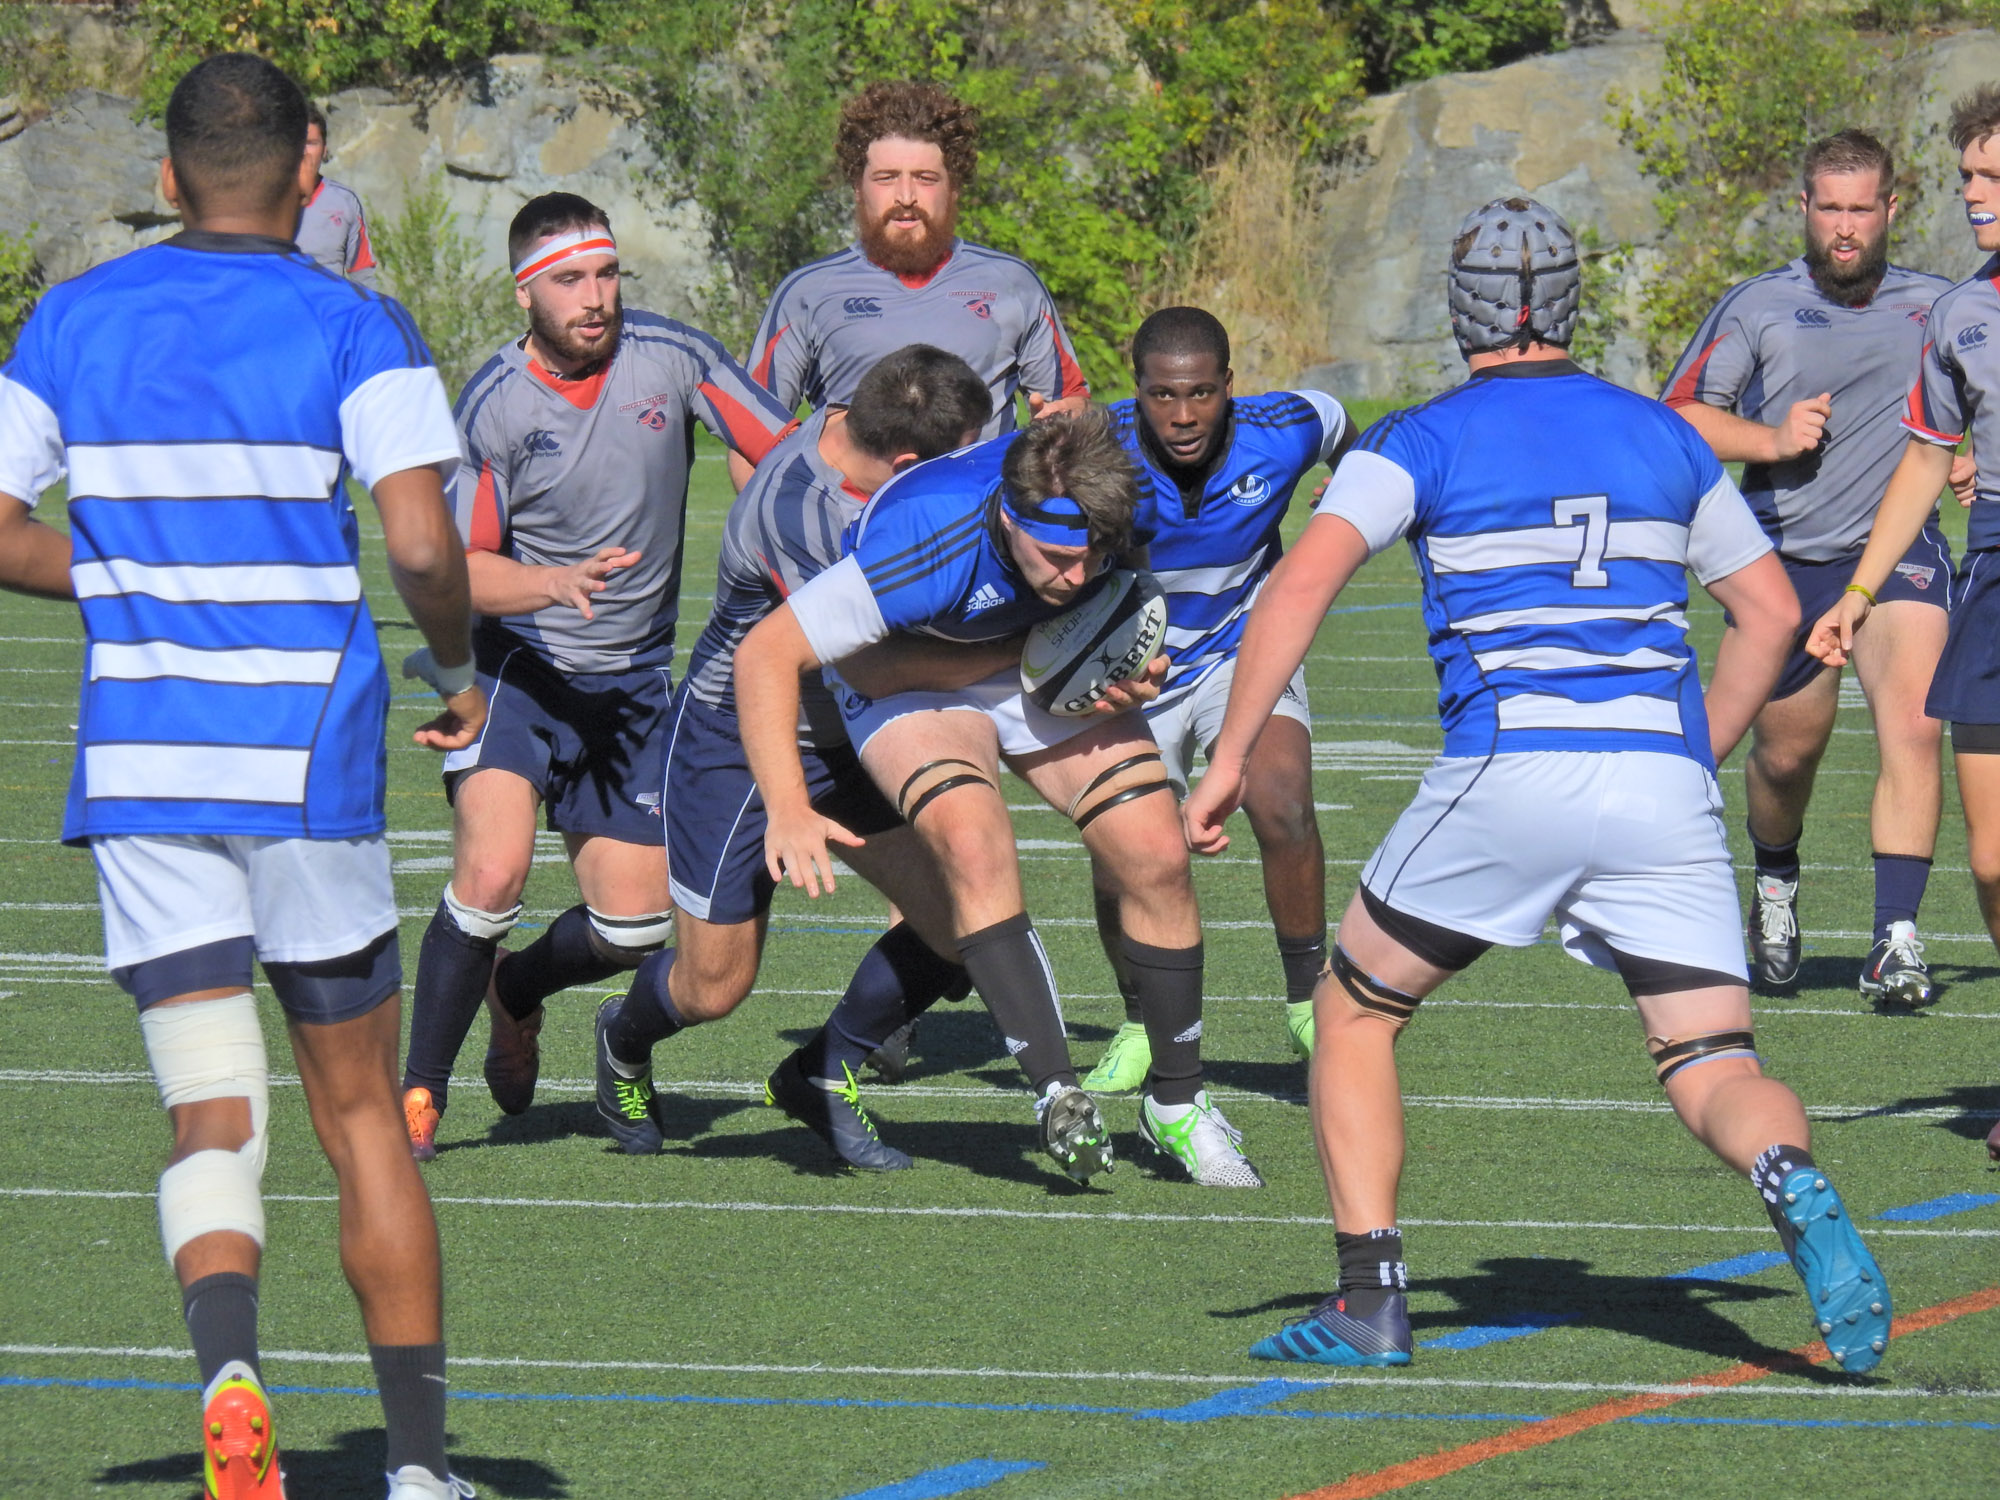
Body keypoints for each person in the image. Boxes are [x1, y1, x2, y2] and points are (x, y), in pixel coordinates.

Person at [1187, 197, 1894, 1374]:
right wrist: (1690, 755)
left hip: (1509, 769)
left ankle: (1369, 1303)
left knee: (1354, 1011)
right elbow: (1768, 611)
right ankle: (1790, 1177)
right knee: (1714, 1061)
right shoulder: (1662, 432)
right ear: (1569, 302)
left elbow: (1299, 587)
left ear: (1457, 309)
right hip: (1658, 791)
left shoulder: (1419, 437)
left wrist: (1222, 759)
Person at [0, 54, 483, 1498]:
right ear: (310, 171)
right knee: (358, 1119)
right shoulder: (356, 319)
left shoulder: (71, 318)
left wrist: (135, 581)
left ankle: (228, 1370)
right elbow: (415, 543)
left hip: (145, 762)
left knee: (212, 1111)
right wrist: (458, 677)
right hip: (301, 766)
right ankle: (412, 1469)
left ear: (165, 177)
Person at [736, 407, 1262, 1188]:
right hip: (909, 672)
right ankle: (1057, 1091)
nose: (1075, 577)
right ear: (1008, 518)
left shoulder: (1120, 502)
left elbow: (1123, 592)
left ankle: (1178, 1104)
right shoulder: (925, 538)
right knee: (973, 841)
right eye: (1053, 558)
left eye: (1091, 556)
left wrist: (1130, 658)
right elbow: (770, 654)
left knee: (1155, 853)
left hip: (1037, 660)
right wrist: (787, 807)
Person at [398, 192, 796, 1159]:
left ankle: (517, 990)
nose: (597, 298)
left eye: (608, 274)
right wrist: (549, 582)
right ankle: (416, 1098)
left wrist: (783, 528)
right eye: (571, 280)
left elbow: (788, 455)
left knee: (634, 929)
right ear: (526, 293)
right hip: (519, 673)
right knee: (490, 877)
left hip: (631, 688)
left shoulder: (674, 355)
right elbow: (458, 569)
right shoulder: (495, 401)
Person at [591, 344, 997, 1164]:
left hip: (852, 730)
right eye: (957, 465)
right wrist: (1015, 658)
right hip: (739, 744)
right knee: (716, 987)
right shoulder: (803, 516)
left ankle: (822, 1068)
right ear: (909, 462)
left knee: (961, 921)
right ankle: (622, 1038)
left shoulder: (859, 433)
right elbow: (871, 657)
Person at [1664, 130, 1970, 1006]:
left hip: (1898, 553)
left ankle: (1896, 940)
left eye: (1860, 209)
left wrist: (1973, 453)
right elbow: (1680, 417)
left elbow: (1975, 399)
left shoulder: (1940, 306)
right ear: (1803, 209)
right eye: (1828, 208)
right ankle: (1775, 881)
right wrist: (1769, 438)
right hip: (1784, 561)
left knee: (1914, 724)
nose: (1845, 227)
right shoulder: (1756, 306)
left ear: (1891, 211)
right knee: (1785, 760)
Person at [1804, 88, 2000, 1160]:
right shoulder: (1962, 316)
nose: (1969, 196)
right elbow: (1924, 454)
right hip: (1994, 569)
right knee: (1990, 864)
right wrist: (1860, 591)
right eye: (1967, 176)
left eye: (1988, 178)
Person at [1082, 306, 1348, 1093]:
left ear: (1230, 385)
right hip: (1135, 668)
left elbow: (1361, 431)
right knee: (1119, 857)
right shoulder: (1100, 450)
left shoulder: (1287, 426)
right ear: (1137, 391)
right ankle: (1137, 1021)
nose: (1185, 413)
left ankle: (1309, 1002)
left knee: (1282, 802)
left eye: (1201, 392)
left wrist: (1355, 478)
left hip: (1245, 650)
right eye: (1164, 395)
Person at [746, 80, 1089, 450]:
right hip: (852, 508)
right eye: (886, 178)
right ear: (858, 188)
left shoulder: (1012, 283)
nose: (906, 197)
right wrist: (771, 507)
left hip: (977, 504)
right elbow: (752, 430)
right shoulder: (808, 292)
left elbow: (1070, 400)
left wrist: (1062, 418)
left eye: (925, 179)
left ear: (953, 187)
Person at [294, 101, 378, 288]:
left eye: (311, 144)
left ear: (324, 150)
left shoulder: (345, 201)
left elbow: (362, 273)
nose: (304, 152)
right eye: (297, 143)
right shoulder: (266, 200)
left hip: (329, 312)